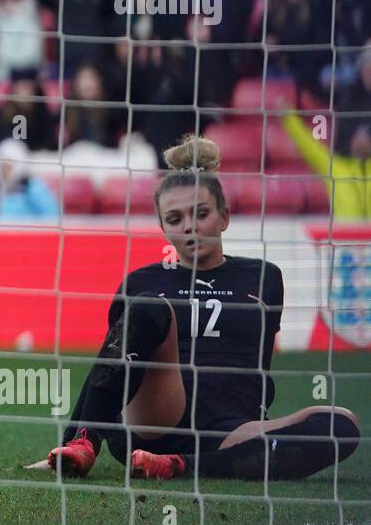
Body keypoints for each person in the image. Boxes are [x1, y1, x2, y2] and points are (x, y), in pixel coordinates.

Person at [34, 135, 360, 481]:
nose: (189, 226)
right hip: (156, 420)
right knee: (148, 307)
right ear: (163, 228)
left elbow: (258, 362)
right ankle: (84, 443)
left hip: (231, 429)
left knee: (342, 424)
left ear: (224, 217)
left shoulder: (263, 277)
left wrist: (258, 422)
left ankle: (178, 466)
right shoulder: (142, 281)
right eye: (175, 219)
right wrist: (73, 439)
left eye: (200, 214)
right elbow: (111, 366)